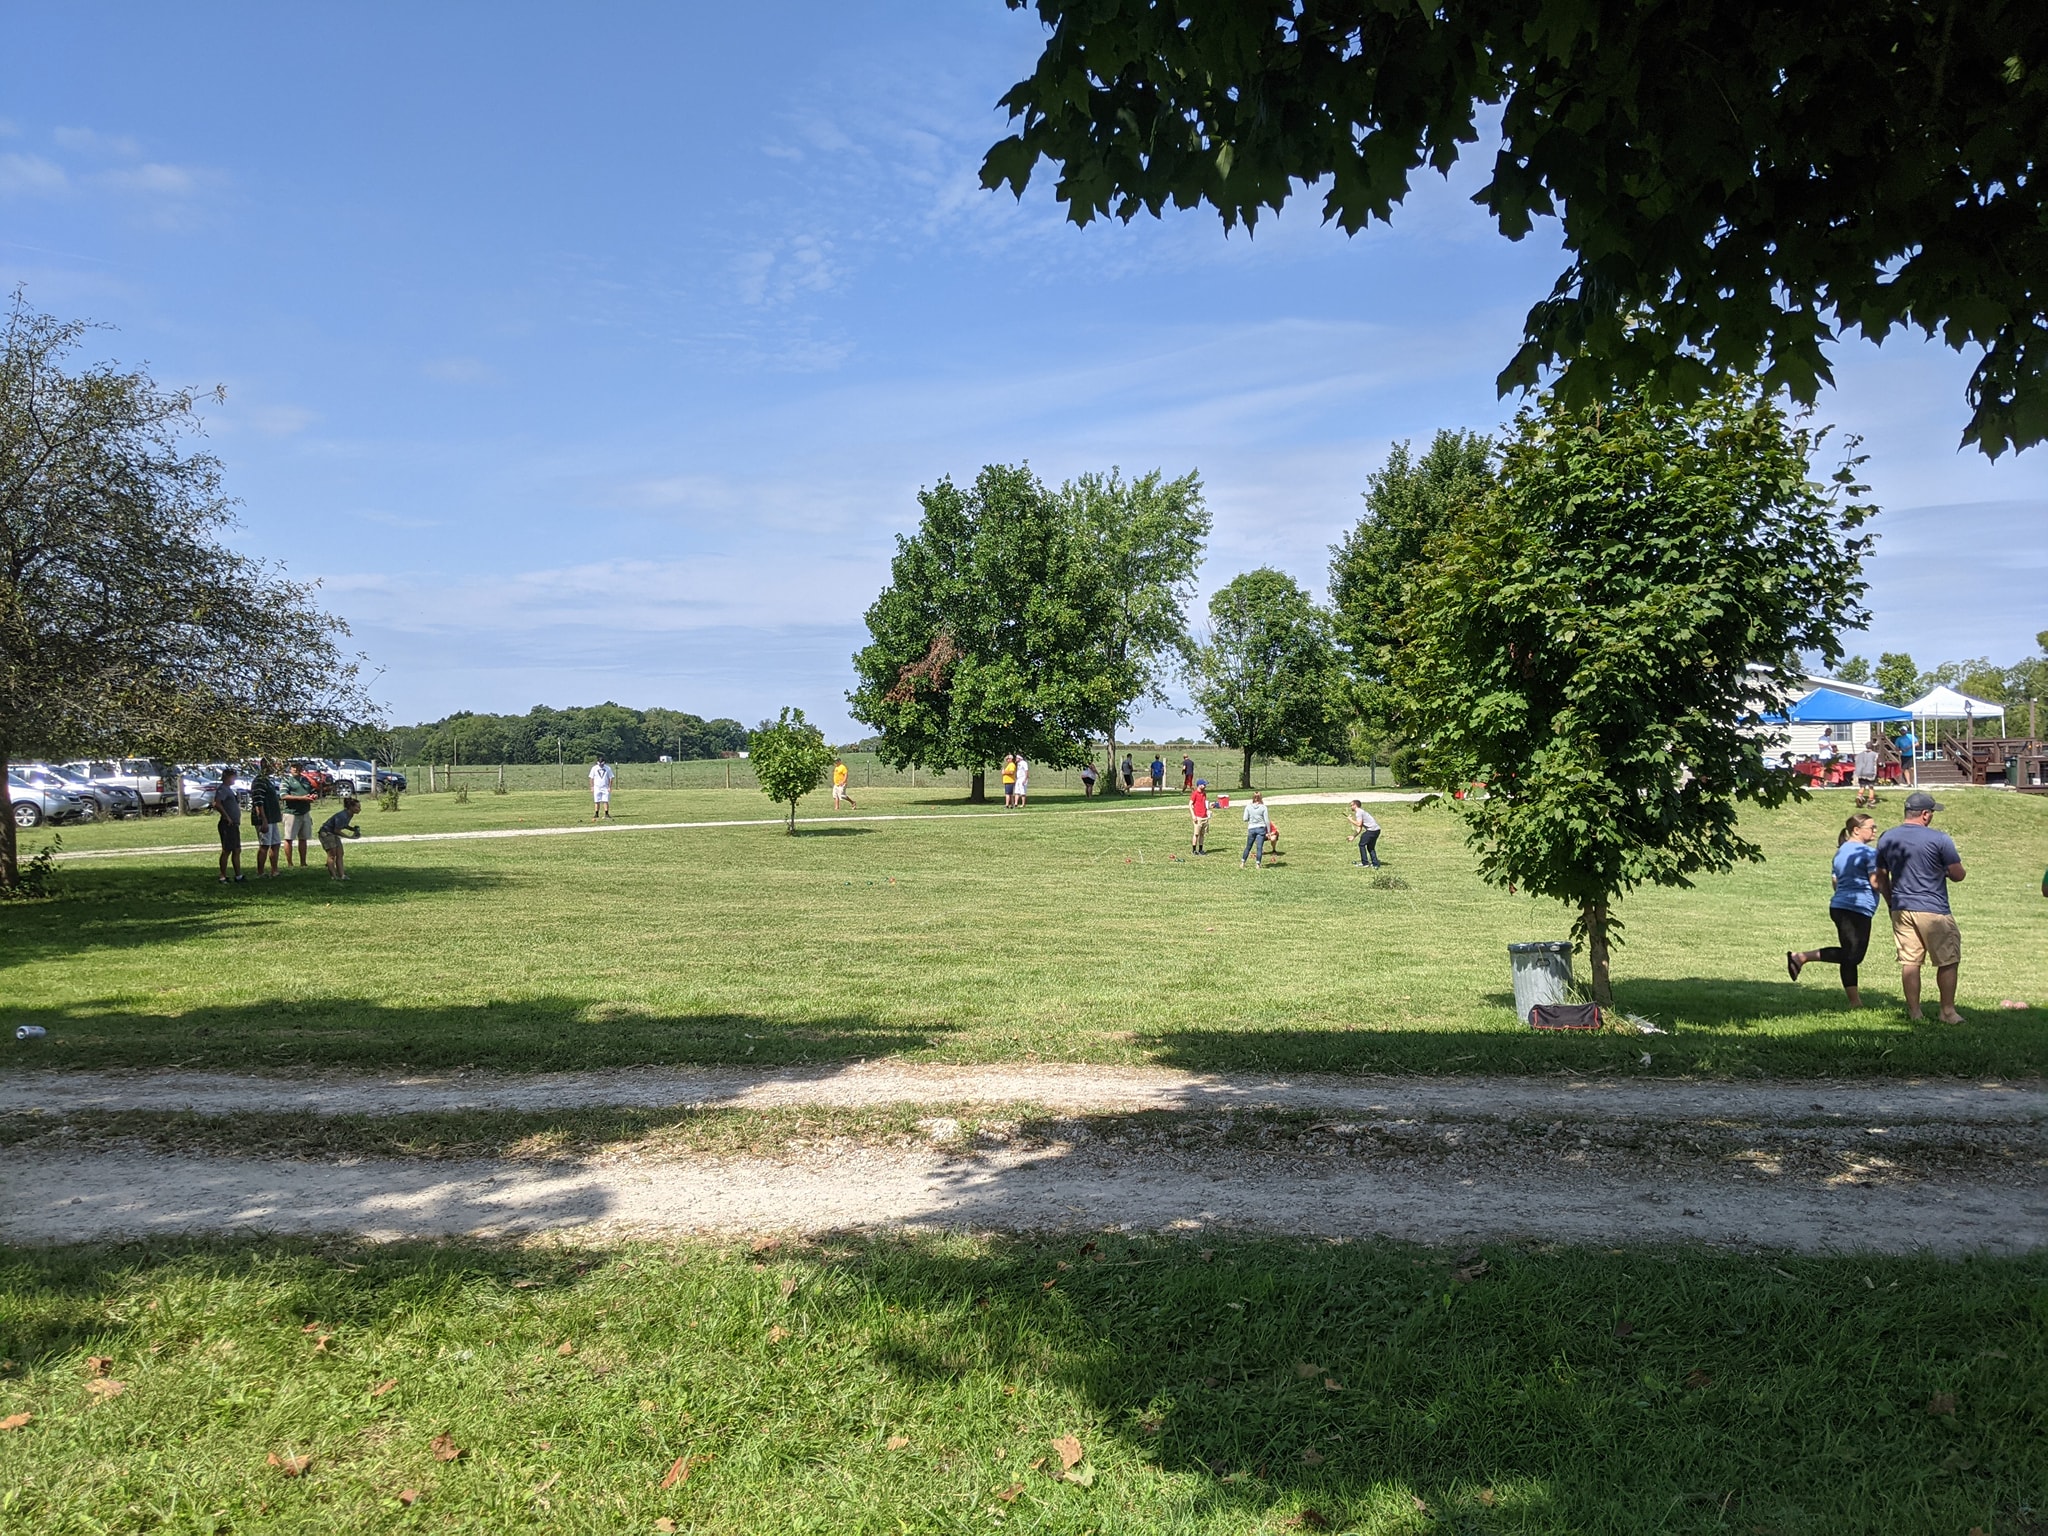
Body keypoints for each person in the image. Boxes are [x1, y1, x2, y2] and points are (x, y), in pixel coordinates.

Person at [1873, 790, 1967, 1024]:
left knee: (1910, 961)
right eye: (1932, 812)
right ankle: (1947, 1012)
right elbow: (1958, 874)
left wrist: (1890, 902)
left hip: (1901, 907)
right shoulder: (1939, 839)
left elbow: (1880, 876)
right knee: (1948, 959)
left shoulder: (1886, 838)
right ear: (1925, 814)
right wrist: (1943, 870)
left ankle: (1915, 1012)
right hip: (1933, 908)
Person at [1787, 812, 1880, 1006]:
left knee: (1849, 955)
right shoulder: (1869, 853)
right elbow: (1875, 883)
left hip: (1840, 906)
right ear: (1856, 830)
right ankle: (1801, 957)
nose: (1875, 831)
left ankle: (1855, 1002)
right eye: (1871, 827)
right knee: (1853, 956)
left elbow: (1835, 882)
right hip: (1857, 908)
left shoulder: (1841, 852)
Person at [249, 760, 285, 877]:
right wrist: (263, 819)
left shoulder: (268, 780)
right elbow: (258, 802)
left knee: (276, 843)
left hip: (272, 818)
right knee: (264, 845)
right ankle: (260, 872)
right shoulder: (259, 781)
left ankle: (274, 870)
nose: (275, 768)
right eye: (273, 765)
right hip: (265, 819)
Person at [211, 767, 245, 883]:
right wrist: (227, 817)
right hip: (227, 824)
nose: (234, 779)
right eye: (233, 777)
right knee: (227, 850)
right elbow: (217, 803)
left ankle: (238, 875)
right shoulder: (222, 789)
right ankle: (222, 876)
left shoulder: (229, 789)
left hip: (234, 824)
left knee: (237, 849)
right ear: (227, 777)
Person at [319, 794, 362, 881]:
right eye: (357, 807)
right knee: (332, 855)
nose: (359, 809)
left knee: (340, 854)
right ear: (351, 807)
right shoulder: (342, 815)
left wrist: (352, 829)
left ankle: (342, 875)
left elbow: (343, 825)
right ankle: (334, 876)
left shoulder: (350, 814)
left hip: (333, 834)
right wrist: (349, 837)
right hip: (326, 833)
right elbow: (337, 830)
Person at [281, 766, 316, 869]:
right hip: (291, 813)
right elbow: (283, 796)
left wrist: (313, 796)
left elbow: (312, 790)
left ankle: (303, 863)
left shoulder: (305, 779)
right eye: (294, 768)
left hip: (305, 812)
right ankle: (290, 864)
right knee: (289, 838)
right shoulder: (286, 780)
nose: (297, 770)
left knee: (303, 838)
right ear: (290, 769)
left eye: (299, 768)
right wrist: (301, 798)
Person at [1240, 791, 1270, 868]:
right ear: (1261, 798)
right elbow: (1267, 820)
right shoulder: (1263, 807)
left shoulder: (1248, 807)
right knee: (1259, 848)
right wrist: (1269, 831)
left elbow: (1245, 819)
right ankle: (1258, 864)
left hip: (1251, 828)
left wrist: (1251, 819)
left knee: (1248, 847)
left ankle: (1243, 863)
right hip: (1261, 828)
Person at [1348, 799, 1381, 868]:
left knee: (1361, 845)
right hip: (1377, 830)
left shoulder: (1359, 812)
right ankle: (1375, 863)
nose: (1351, 807)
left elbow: (1359, 824)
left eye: (1351, 805)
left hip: (1371, 830)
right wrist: (1353, 836)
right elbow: (1359, 827)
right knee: (1370, 847)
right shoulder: (1361, 812)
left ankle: (1365, 863)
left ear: (1355, 805)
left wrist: (1350, 820)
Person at [1853, 742, 1881, 807]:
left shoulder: (1859, 754)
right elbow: (1879, 764)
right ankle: (1871, 801)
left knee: (1862, 786)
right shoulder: (1875, 754)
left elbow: (1856, 762)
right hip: (1870, 772)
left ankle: (1859, 796)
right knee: (1871, 787)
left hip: (1861, 772)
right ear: (1872, 747)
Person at [1189, 779, 1210, 854]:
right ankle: (1194, 850)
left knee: (1202, 834)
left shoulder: (1204, 793)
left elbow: (1205, 804)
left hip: (1205, 817)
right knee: (1196, 834)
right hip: (1198, 817)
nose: (1205, 786)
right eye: (1204, 785)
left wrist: (1207, 811)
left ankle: (1200, 849)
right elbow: (1190, 805)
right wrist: (1193, 815)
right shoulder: (1195, 794)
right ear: (1199, 785)